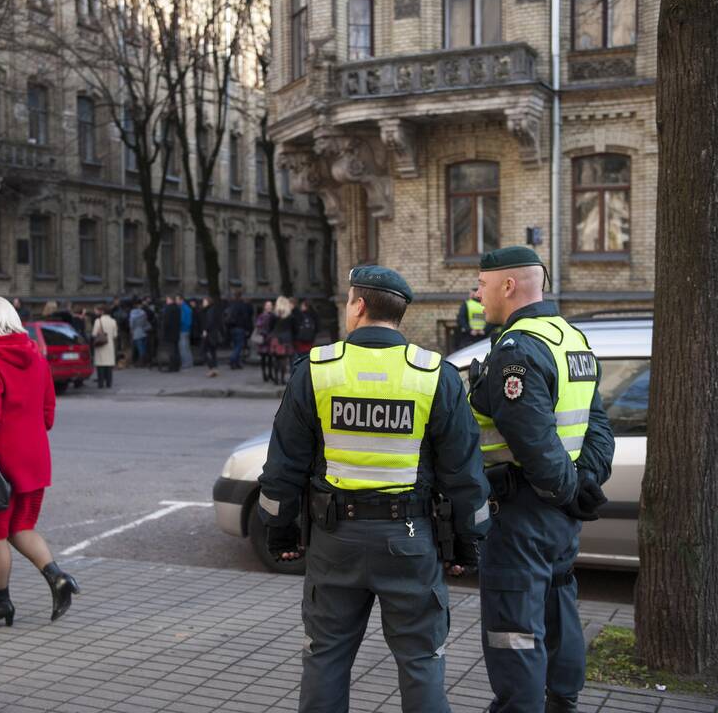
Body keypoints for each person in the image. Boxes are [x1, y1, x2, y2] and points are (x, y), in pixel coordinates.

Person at [257, 266, 491, 713]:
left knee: (325, 659)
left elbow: (283, 465)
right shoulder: (432, 374)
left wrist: (279, 532)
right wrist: (466, 544)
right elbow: (463, 470)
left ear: (359, 305)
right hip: (410, 541)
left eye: (348, 300)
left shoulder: (317, 370)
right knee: (421, 662)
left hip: (334, 542)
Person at [468, 247, 614, 713]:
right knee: (558, 605)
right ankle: (562, 701)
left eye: (482, 283)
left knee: (514, 627)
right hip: (558, 513)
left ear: (508, 286)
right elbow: (598, 424)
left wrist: (568, 490)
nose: (477, 293)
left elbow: (532, 438)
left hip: (522, 512)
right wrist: (585, 483)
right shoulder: (571, 338)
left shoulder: (517, 349)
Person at [0, 297, 80, 627]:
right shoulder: (38, 359)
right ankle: (58, 578)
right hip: (36, 459)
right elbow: (48, 416)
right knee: (22, 527)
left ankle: (0, 604)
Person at [269, 296, 295, 386]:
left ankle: (276, 378)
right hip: (286, 339)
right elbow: (293, 328)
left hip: (276, 338)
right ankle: (282, 379)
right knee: (284, 360)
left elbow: (270, 327)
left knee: (276, 359)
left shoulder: (274, 315)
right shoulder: (290, 316)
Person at [91, 304, 118, 389]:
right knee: (109, 365)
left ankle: (101, 383)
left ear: (102, 311)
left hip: (100, 344)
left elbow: (94, 334)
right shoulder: (113, 321)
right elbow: (115, 335)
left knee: (100, 365)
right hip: (109, 345)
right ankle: (109, 383)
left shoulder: (98, 321)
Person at [227, 291, 253, 370]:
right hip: (240, 328)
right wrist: (248, 329)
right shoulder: (242, 305)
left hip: (232, 328)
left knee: (236, 345)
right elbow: (246, 318)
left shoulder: (231, 304)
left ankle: (237, 363)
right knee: (239, 346)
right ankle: (232, 359)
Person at [199, 296, 221, 377]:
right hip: (213, 334)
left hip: (209, 334)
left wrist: (205, 330)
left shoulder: (209, 310)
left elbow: (209, 322)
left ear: (208, 302)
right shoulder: (212, 309)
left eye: (204, 301)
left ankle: (212, 368)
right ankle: (215, 369)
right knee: (212, 352)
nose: (203, 303)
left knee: (203, 351)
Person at [254, 300, 275, 383]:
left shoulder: (273, 315)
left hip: (270, 340)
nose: (269, 307)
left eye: (270, 305)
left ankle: (270, 374)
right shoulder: (262, 316)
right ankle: (264, 374)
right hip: (263, 340)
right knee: (263, 358)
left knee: (270, 358)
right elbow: (258, 326)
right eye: (267, 305)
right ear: (265, 307)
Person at [161, 295, 182, 372]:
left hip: (169, 332)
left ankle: (172, 367)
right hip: (176, 332)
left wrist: (163, 332)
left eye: (167, 299)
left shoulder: (168, 308)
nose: (166, 301)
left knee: (171, 350)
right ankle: (177, 366)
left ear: (170, 300)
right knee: (176, 349)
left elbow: (166, 321)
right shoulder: (177, 308)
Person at [129, 299, 150, 366]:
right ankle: (145, 361)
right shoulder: (143, 312)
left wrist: (131, 330)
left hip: (136, 332)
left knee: (140, 348)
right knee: (143, 347)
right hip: (143, 331)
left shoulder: (132, 313)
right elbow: (146, 322)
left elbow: (131, 324)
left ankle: (141, 362)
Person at [176, 294, 194, 368]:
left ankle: (185, 364)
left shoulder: (183, 308)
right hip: (187, 330)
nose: (176, 301)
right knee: (187, 347)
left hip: (183, 330)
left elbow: (182, 320)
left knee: (183, 348)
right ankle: (190, 362)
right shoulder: (187, 307)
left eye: (177, 299)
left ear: (181, 300)